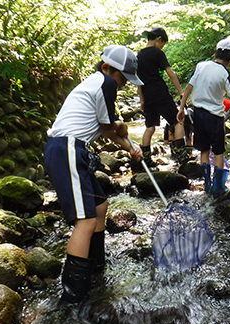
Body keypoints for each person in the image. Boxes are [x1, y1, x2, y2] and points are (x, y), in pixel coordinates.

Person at [44, 45, 143, 303]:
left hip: (72, 150)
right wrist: (124, 128)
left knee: (100, 205)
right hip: (67, 148)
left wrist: (132, 149)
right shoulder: (105, 83)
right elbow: (113, 127)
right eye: (123, 78)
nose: (122, 85)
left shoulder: (97, 84)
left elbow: (108, 131)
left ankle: (96, 267)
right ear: (107, 68)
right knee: (85, 221)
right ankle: (73, 295)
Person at [177, 38, 230, 194]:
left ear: (216, 53)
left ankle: (207, 183)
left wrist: (181, 108)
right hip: (215, 117)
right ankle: (218, 187)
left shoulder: (200, 66)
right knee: (218, 151)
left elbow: (188, 88)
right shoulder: (225, 73)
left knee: (204, 150)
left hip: (198, 114)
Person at [137, 27, 191, 166]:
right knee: (177, 121)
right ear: (159, 39)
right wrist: (181, 92)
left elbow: (138, 81)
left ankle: (146, 159)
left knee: (150, 127)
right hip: (160, 92)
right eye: (163, 44)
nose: (162, 47)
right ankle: (181, 156)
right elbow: (170, 74)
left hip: (147, 95)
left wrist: (142, 100)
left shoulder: (139, 55)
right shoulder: (157, 53)